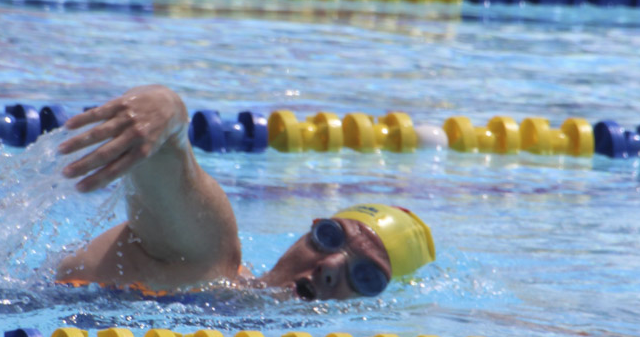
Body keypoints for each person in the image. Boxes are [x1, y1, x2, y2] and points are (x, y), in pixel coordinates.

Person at [56, 85, 435, 301]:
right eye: (330, 237)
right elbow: (172, 167)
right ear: (309, 230)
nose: (331, 265)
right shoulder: (209, 259)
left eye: (367, 277)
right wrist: (169, 110)